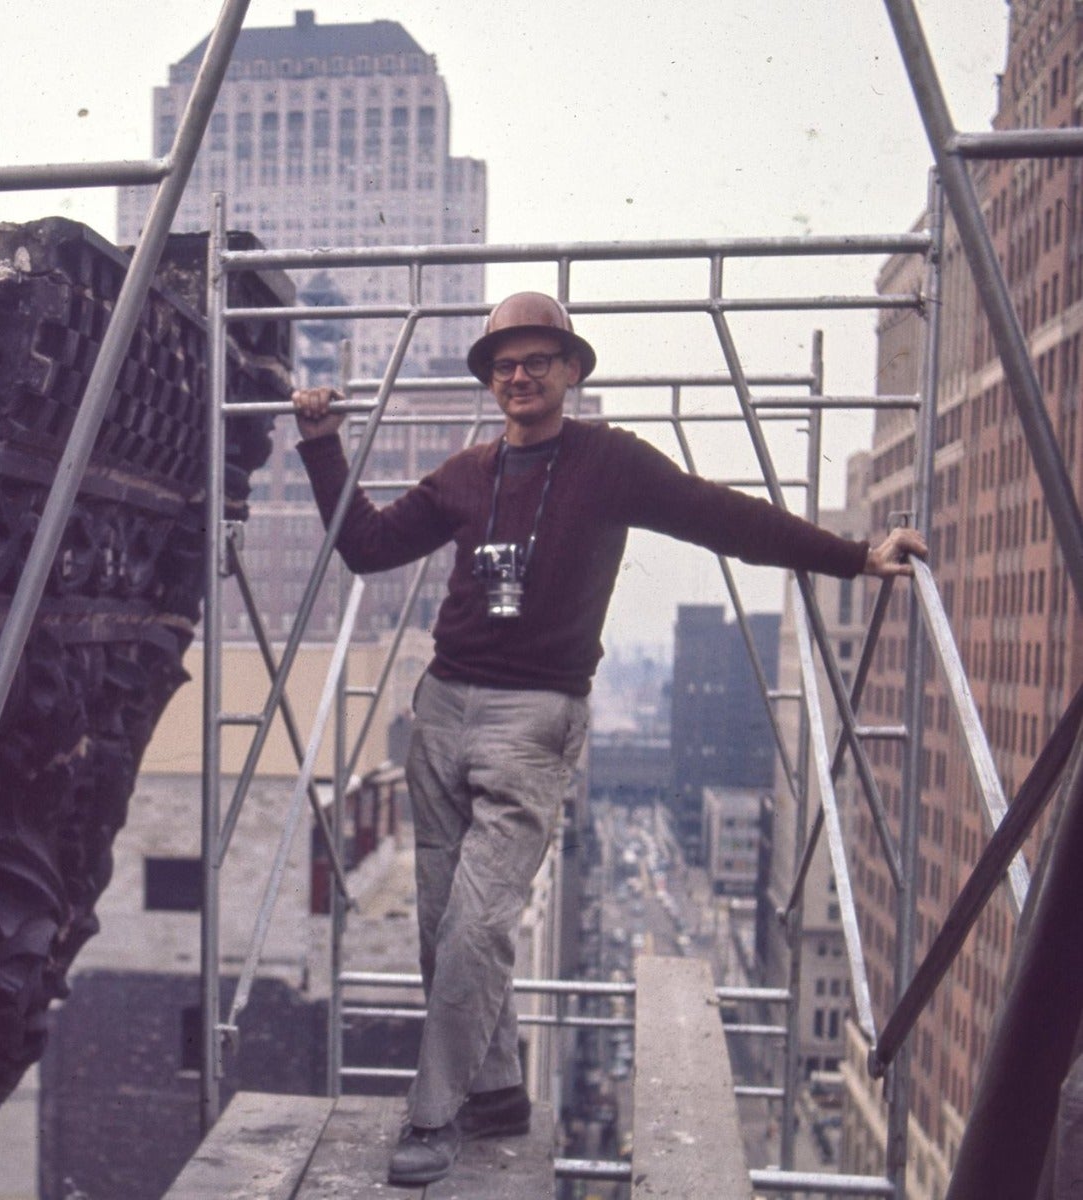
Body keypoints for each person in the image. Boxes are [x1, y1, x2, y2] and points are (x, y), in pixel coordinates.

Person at [289, 292, 926, 1187]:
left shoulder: (609, 463)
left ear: (571, 371)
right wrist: (322, 444)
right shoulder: (467, 473)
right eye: (503, 365)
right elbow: (366, 545)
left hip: (531, 722)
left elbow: (726, 520)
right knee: (442, 930)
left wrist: (854, 556)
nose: (519, 376)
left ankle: (434, 1114)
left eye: (536, 361)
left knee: (475, 927)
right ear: (491, 381)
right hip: (440, 712)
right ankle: (497, 1092)